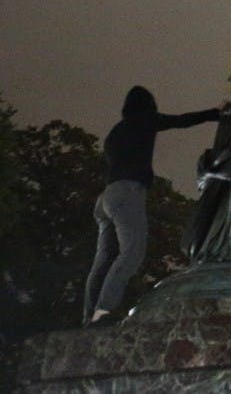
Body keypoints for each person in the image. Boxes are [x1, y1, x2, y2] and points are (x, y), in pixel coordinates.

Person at [83, 86, 220, 327]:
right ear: (148, 106)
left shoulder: (116, 132)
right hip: (128, 192)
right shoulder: (144, 120)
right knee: (132, 253)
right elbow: (180, 121)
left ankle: (89, 315)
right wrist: (215, 113)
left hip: (106, 196)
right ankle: (102, 313)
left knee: (103, 259)